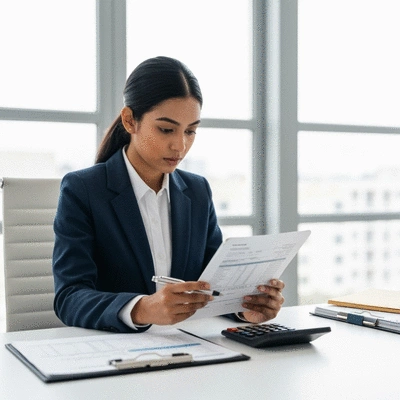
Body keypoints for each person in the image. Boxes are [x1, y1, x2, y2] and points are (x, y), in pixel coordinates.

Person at [52, 56, 285, 333]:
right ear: (130, 121)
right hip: (117, 355)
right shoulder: (83, 190)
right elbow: (69, 297)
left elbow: (214, 287)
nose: (180, 145)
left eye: (191, 131)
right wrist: (143, 308)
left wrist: (246, 309)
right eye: (166, 129)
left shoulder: (197, 192)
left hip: (189, 349)